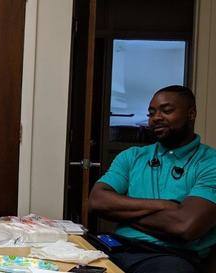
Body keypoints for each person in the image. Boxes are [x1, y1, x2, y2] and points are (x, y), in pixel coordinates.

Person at [89, 85, 216, 273]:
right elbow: (97, 201)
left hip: (172, 256)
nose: (156, 117)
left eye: (166, 110)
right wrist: (165, 206)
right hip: (117, 247)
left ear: (191, 114)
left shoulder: (210, 162)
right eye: (151, 112)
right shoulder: (131, 157)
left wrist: (120, 213)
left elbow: (185, 226)